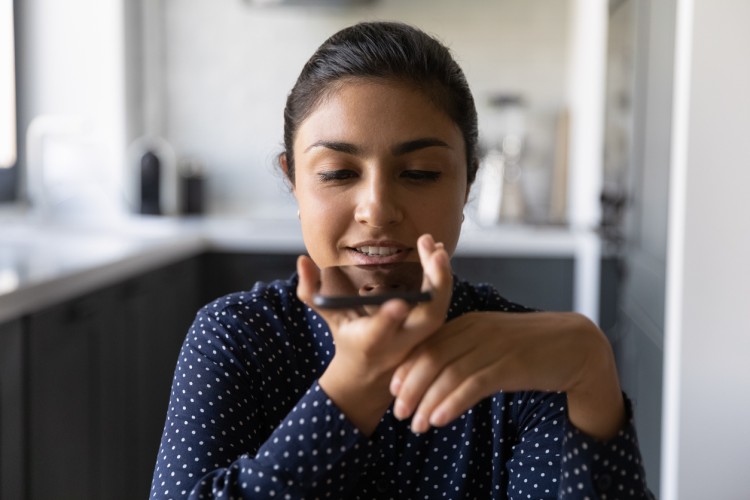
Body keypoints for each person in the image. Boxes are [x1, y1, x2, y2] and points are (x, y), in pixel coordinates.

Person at [150, 21, 653, 499]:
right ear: (293, 181)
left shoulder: (519, 365)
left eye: (418, 173)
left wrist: (593, 373)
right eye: (338, 173)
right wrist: (354, 383)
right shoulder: (237, 338)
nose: (377, 210)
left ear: (467, 183)